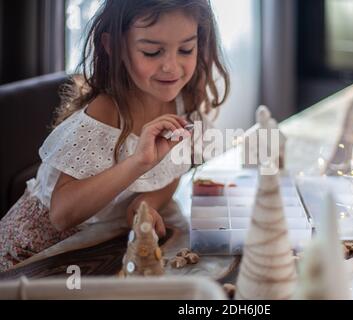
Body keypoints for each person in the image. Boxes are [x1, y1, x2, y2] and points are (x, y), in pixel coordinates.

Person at [0, 0, 230, 272]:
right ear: (114, 47)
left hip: (105, 245)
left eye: (186, 49)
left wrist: (144, 203)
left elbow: (170, 170)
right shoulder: (106, 111)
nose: (172, 66)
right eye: (152, 52)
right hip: (38, 253)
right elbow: (62, 215)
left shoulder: (184, 102)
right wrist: (137, 163)